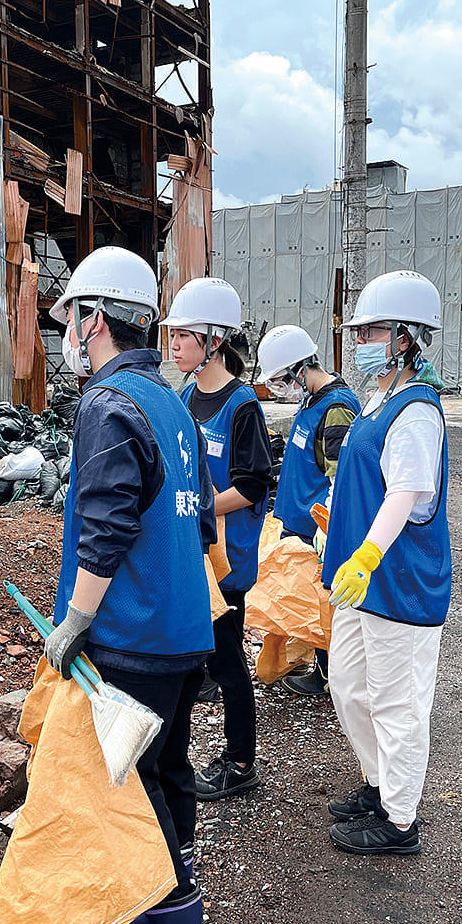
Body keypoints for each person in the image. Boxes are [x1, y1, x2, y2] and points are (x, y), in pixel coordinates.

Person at [44, 246, 216, 924]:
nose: (67, 334)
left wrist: (75, 621)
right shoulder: (171, 400)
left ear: (96, 319)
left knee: (130, 787)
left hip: (135, 635)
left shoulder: (109, 404)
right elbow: (202, 515)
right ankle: (158, 902)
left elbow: (105, 529)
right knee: (167, 770)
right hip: (182, 628)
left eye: (71, 318)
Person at [321, 270, 451, 856]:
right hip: (361, 579)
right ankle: (378, 783)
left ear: (403, 338)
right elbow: (362, 480)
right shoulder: (379, 401)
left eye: (371, 330)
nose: (360, 340)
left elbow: (405, 493)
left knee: (398, 702)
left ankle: (399, 820)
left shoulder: (417, 412)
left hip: (397, 581)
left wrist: (369, 552)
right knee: (348, 685)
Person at [164, 277, 271, 802]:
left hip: (226, 557)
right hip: (195, 547)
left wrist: (200, 505)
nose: (175, 344)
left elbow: (253, 484)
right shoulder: (186, 397)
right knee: (200, 652)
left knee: (228, 659)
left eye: (184, 335)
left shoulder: (241, 405)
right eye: (174, 335)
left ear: (213, 340)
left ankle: (241, 760)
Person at [255, 325, 360, 695]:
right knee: (308, 602)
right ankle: (324, 670)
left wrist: (327, 528)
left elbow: (340, 478)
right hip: (297, 523)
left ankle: (338, 680)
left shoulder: (336, 410)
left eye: (282, 379)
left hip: (317, 529)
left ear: (301, 369)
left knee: (326, 604)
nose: (279, 387)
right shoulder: (311, 401)